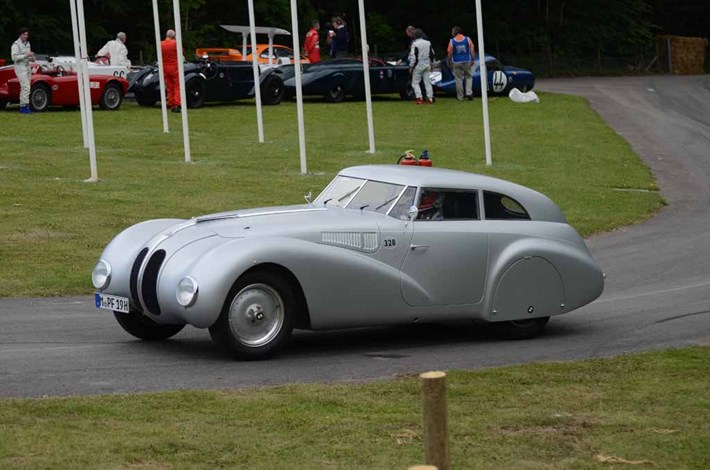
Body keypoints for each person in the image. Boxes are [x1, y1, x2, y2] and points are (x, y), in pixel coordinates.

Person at [447, 25, 475, 101]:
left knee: (458, 79)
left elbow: (450, 53)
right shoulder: (467, 39)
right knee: (469, 76)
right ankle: (469, 93)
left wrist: (448, 61)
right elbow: (472, 50)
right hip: (466, 60)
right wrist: (473, 59)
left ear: (455, 32)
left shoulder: (452, 41)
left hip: (456, 61)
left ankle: (460, 96)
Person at [10, 27, 35, 114]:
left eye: (27, 34)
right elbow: (14, 58)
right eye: (24, 34)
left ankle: (23, 107)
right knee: (25, 87)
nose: (25, 36)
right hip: (20, 67)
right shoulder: (16, 45)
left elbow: (29, 56)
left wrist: (32, 57)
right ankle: (25, 106)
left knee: (27, 87)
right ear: (20, 35)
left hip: (27, 66)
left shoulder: (28, 43)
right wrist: (26, 55)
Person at [408, 29, 434, 105]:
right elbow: (432, 54)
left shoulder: (415, 44)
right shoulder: (428, 42)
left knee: (415, 82)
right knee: (427, 82)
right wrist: (431, 64)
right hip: (427, 63)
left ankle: (419, 98)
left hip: (418, 65)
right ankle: (430, 98)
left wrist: (411, 66)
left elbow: (413, 57)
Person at [160, 29, 181, 113]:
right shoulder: (175, 43)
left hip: (165, 67)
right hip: (174, 67)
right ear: (173, 36)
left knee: (169, 87)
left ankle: (171, 104)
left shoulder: (161, 44)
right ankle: (177, 104)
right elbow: (181, 52)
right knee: (177, 86)